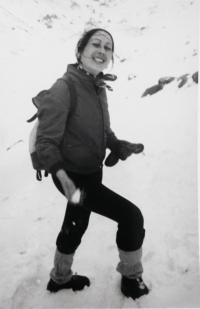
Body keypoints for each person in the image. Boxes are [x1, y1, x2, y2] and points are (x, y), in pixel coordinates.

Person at [35, 28, 149, 300]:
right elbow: (45, 143)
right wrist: (62, 177)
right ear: (80, 51)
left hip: (90, 172)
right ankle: (132, 280)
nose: (102, 50)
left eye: (108, 47)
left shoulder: (97, 87)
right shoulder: (64, 88)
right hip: (71, 178)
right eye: (96, 44)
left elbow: (103, 130)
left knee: (76, 222)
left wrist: (117, 144)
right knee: (131, 216)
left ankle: (60, 278)